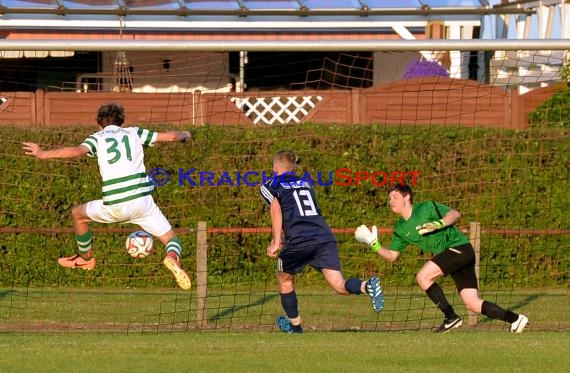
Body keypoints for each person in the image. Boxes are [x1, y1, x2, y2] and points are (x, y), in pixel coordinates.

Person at [22, 102, 192, 291]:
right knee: (171, 239)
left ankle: (85, 258)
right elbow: (172, 136)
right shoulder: (134, 132)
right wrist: (185, 134)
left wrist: (42, 154)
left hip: (115, 205)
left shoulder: (97, 137)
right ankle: (171, 258)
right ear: (122, 121)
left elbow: (75, 151)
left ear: (99, 123)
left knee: (78, 214)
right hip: (142, 203)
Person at [355, 183, 529, 333]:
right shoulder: (400, 228)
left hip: (459, 248)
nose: (391, 201)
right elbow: (392, 256)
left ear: (407, 197)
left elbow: (455, 214)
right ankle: (516, 320)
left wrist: (437, 224)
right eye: (389, 198)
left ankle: (451, 317)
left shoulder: (426, 208)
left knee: (422, 277)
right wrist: (374, 244)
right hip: (457, 255)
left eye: (394, 197)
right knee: (473, 304)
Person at [260, 150, 384, 333]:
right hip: (323, 237)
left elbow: (276, 209)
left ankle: (296, 328)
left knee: (284, 279)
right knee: (339, 285)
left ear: (276, 166)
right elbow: (309, 212)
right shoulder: (305, 184)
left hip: (300, 240)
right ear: (292, 167)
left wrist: (277, 241)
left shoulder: (270, 184)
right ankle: (368, 286)